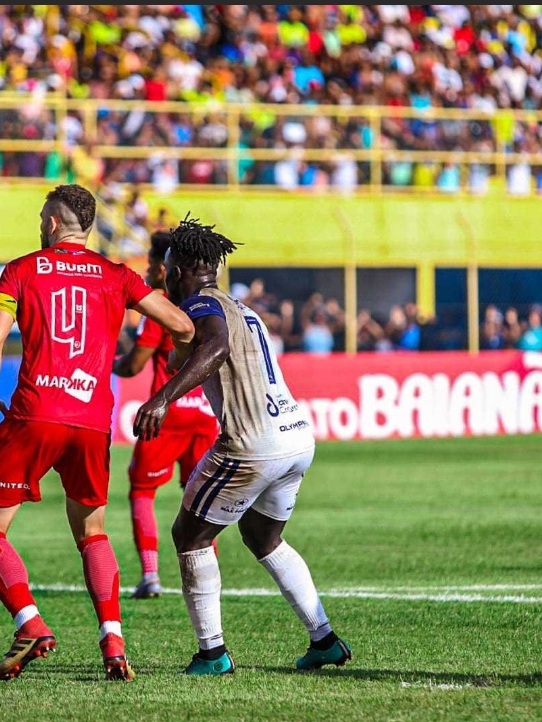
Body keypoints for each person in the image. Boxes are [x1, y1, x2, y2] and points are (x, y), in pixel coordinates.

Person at [0, 185, 194, 682]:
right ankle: (113, 643)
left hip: (34, 413)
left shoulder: (23, 269)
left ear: (52, 223)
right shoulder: (118, 275)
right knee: (92, 531)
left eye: (40, 218)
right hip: (93, 421)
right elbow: (181, 324)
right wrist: (175, 372)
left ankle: (30, 623)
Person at [133, 215, 351, 676]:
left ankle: (212, 654)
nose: (166, 275)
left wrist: (162, 398)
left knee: (188, 535)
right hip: (295, 437)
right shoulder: (241, 307)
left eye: (170, 268)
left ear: (184, 270)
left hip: (252, 444)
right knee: (263, 536)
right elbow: (197, 349)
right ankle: (324, 639)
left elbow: (214, 347)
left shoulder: (202, 307)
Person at [113, 231, 219, 600]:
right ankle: (210, 578)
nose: (143, 271)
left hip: (168, 415)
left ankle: (150, 575)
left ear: (164, 269)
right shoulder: (210, 303)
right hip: (206, 414)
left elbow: (134, 365)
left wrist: (107, 363)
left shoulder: (158, 306)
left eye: (148, 264)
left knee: (142, 490)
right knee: (201, 498)